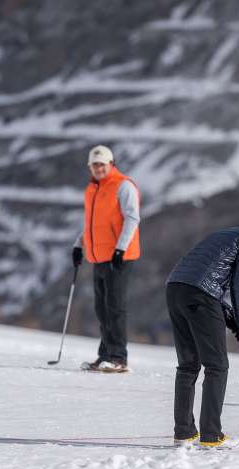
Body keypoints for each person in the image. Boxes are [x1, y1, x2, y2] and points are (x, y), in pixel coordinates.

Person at [166, 209, 239, 447]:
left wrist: (233, 320)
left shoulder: (229, 234)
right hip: (200, 296)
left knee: (188, 365)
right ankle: (211, 435)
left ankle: (184, 432)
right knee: (217, 366)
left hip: (175, 289)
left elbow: (207, 278)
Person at [72, 145, 140, 373]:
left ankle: (119, 358)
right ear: (90, 167)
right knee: (102, 308)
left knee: (115, 307)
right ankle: (105, 355)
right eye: (95, 165)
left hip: (118, 257)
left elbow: (132, 218)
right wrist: (78, 244)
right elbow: (93, 225)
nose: (99, 168)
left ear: (111, 164)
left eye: (102, 164)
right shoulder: (93, 189)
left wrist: (121, 249)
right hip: (98, 256)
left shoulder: (123, 186)